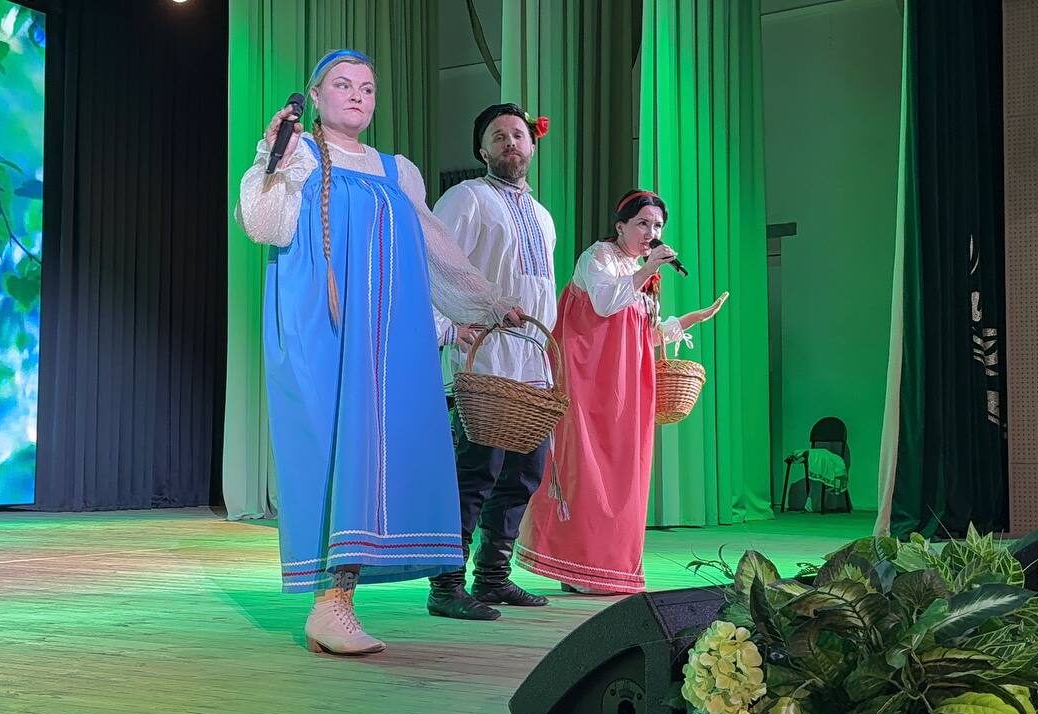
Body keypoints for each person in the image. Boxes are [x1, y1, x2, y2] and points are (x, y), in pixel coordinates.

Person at [236, 49, 522, 656]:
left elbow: (436, 249)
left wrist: (488, 304)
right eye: (343, 85)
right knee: (329, 452)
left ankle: (337, 604)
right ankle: (328, 603)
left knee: (376, 458)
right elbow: (264, 226)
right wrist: (271, 159)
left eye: (367, 87)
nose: (358, 96)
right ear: (316, 96)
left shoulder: (399, 171)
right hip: (320, 328)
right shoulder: (301, 154)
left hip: (387, 334)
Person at [515, 190, 727, 595]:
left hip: (628, 386)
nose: (651, 232)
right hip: (588, 382)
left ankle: (609, 567)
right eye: (643, 223)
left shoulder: (643, 274)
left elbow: (642, 334)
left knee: (626, 475)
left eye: (657, 225)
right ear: (621, 226)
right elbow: (605, 303)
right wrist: (647, 268)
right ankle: (577, 568)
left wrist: (687, 321)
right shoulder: (598, 257)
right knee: (587, 472)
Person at [426, 104, 556, 621]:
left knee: (526, 472)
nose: (510, 142)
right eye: (497, 136)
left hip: (531, 362)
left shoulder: (542, 215)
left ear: (532, 146)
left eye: (518, 134)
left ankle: (493, 577)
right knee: (475, 472)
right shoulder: (467, 198)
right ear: (482, 150)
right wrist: (448, 326)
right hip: (481, 357)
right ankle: (446, 585)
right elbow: (433, 264)